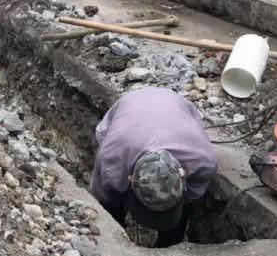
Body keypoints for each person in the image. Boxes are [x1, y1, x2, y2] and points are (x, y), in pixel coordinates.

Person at [91, 86, 218, 247]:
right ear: (129, 179)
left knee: (177, 221)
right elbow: (104, 200)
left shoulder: (203, 162)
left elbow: (189, 197)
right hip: (131, 104)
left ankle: (170, 244)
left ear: (183, 174)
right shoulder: (112, 157)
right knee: (112, 206)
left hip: (177, 104)